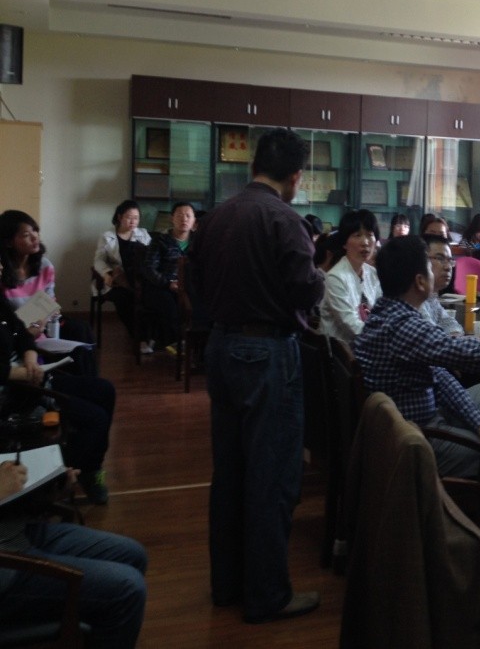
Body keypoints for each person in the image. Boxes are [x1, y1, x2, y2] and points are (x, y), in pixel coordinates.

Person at [191, 127, 325, 624]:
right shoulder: (285, 220)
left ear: (253, 167)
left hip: (221, 347)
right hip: (267, 352)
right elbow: (305, 290)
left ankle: (226, 585)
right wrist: (319, 273)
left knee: (229, 472)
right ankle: (267, 595)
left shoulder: (216, 217)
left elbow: (192, 281)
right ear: (295, 177)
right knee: (271, 476)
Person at [354, 235, 480, 477]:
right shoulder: (402, 325)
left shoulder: (387, 313)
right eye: (430, 265)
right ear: (420, 281)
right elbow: (460, 351)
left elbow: (439, 375)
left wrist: (479, 424)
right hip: (415, 439)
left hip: (421, 418)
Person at [0, 459, 147, 647]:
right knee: (128, 588)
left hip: (15, 530)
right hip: (7, 563)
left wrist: (49, 484)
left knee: (132, 554)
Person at [0, 292, 115, 504]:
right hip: (12, 393)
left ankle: (90, 469)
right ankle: (59, 476)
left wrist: (31, 360)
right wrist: (23, 373)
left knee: (105, 390)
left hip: (31, 378)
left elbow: (22, 336)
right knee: (96, 418)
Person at [0, 210, 95, 346]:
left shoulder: (44, 265)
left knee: (81, 330)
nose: (35, 237)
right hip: (13, 332)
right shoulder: (1, 270)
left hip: (42, 325)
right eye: (26, 235)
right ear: (9, 242)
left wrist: (43, 322)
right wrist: (27, 333)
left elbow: (49, 302)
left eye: (35, 231)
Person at [93, 200, 151, 348]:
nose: (133, 221)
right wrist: (107, 274)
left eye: (136, 218)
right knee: (124, 299)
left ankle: (150, 336)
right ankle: (139, 338)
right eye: (129, 217)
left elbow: (151, 259)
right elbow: (98, 261)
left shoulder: (143, 234)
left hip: (138, 280)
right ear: (119, 217)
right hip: (115, 281)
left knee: (150, 298)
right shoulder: (107, 236)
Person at [139, 201, 195, 354]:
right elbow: (149, 268)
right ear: (172, 218)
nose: (184, 219)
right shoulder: (160, 240)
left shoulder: (198, 241)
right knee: (169, 307)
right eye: (180, 215)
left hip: (189, 286)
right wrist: (168, 283)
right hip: (161, 286)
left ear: (194, 220)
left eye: (188, 216)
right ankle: (175, 344)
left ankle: (196, 345)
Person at [319, 209, 381, 344]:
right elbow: (352, 326)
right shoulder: (336, 277)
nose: (365, 242)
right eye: (357, 235)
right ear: (344, 243)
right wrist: (384, 338)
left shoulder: (372, 273)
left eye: (370, 235)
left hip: (368, 344)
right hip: (342, 352)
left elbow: (381, 312)